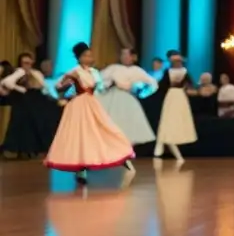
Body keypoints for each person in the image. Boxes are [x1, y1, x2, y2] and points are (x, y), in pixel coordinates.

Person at [44, 42, 136, 184]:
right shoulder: (74, 71)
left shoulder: (94, 72)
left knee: (103, 130)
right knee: (80, 135)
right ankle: (81, 169)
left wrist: (112, 85)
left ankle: (117, 155)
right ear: (79, 57)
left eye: (90, 55)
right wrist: (67, 89)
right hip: (78, 106)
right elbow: (57, 87)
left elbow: (99, 88)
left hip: (92, 104)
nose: (89, 58)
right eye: (86, 55)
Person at [1, 52, 61, 159]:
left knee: (42, 120)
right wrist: (20, 89)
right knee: (23, 123)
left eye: (29, 62)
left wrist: (55, 97)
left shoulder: (35, 72)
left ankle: (37, 149)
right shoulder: (19, 71)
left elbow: (45, 86)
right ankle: (21, 150)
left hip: (36, 99)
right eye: (25, 63)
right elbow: (6, 82)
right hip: (24, 101)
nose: (27, 65)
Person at [98, 47, 159, 146]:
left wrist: (140, 92)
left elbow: (153, 84)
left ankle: (126, 151)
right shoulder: (114, 68)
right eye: (123, 54)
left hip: (128, 99)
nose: (125, 57)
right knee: (112, 123)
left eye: (127, 54)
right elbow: (100, 79)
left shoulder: (137, 70)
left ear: (133, 57)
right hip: (113, 97)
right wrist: (107, 86)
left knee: (129, 126)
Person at [154, 51, 196, 162]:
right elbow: (162, 85)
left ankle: (166, 145)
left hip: (179, 96)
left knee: (176, 120)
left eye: (178, 61)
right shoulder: (168, 72)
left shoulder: (185, 72)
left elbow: (191, 85)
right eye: (174, 61)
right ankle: (162, 144)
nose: (177, 63)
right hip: (171, 96)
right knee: (167, 119)